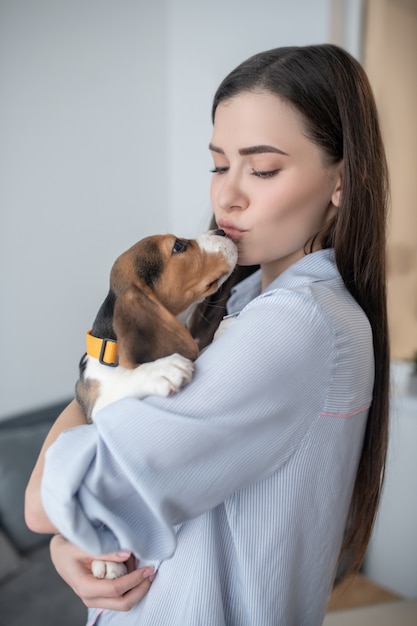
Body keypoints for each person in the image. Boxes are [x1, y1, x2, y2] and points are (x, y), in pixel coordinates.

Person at [25, 43, 390, 625]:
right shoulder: (243, 301)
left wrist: (94, 376)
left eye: (263, 168)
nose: (226, 195)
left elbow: (43, 501)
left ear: (342, 182)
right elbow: (83, 510)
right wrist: (74, 539)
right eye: (219, 164)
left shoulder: (295, 324)